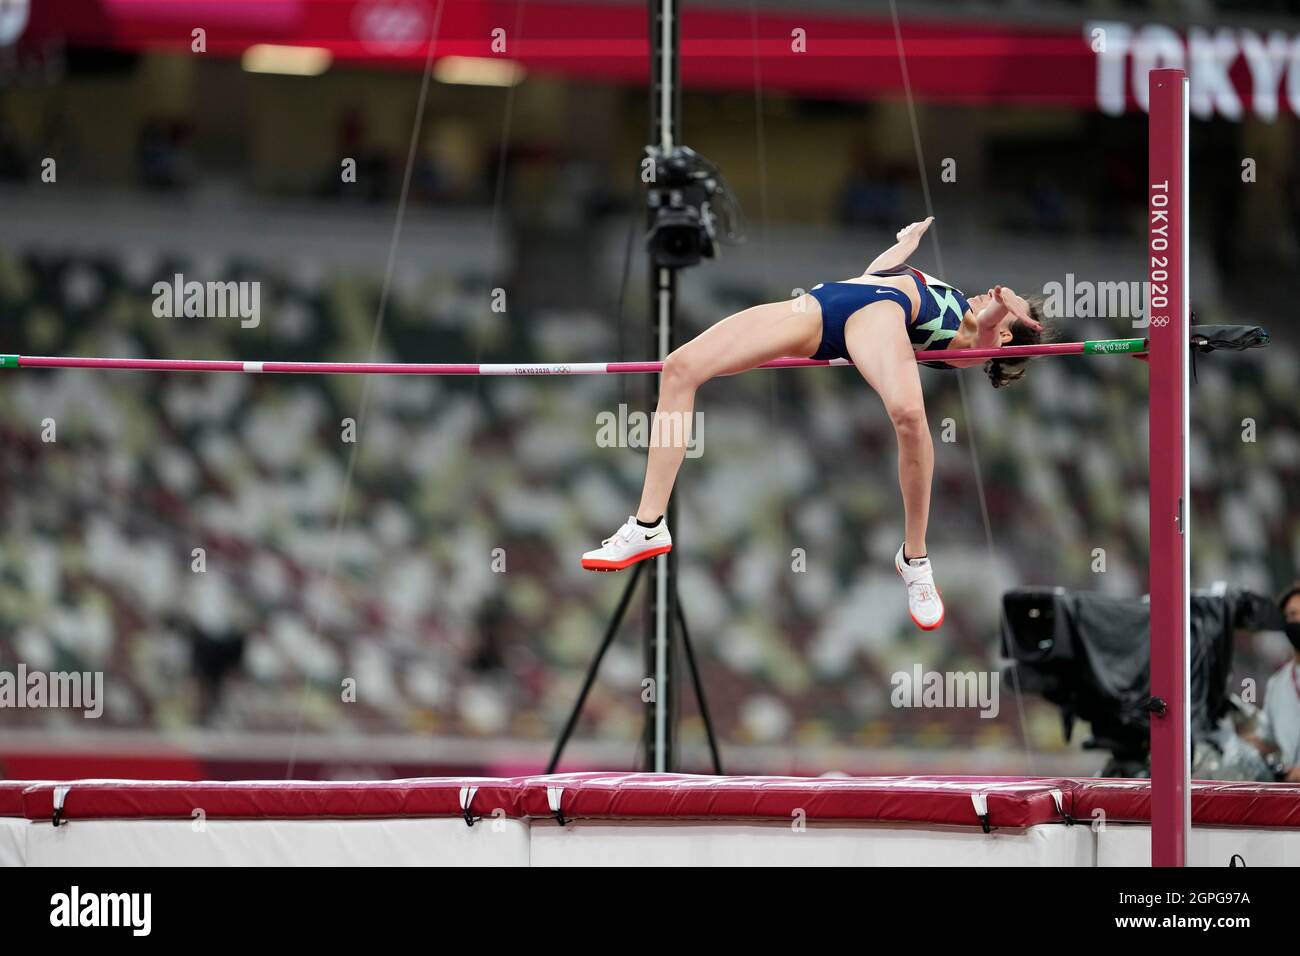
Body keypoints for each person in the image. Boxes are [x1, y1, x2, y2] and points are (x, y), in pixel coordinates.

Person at [581, 216, 1045, 631]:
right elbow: (877, 275)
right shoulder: (951, 294)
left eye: (1000, 309)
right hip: (821, 307)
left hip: (875, 321)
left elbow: (983, 328)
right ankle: (647, 525)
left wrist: (1005, 307)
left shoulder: (973, 339)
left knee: (908, 416)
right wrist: (905, 245)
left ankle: (915, 559)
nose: (990, 292)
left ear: (1004, 335)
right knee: (680, 368)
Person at [1261, 582, 1300, 781]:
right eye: (1291, 615)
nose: (1296, 620)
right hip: (1288, 799)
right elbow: (1266, 740)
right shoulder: (1277, 684)